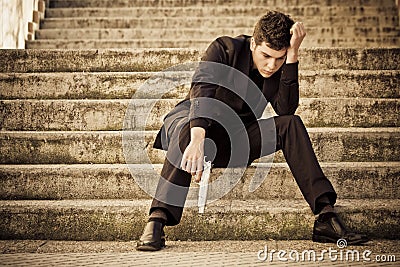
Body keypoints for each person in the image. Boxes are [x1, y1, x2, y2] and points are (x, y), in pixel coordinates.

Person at [136, 10, 368, 251]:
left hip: (235, 138)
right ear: (254, 43)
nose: (271, 65)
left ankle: (325, 217)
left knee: (292, 124)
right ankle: (157, 219)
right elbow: (202, 90)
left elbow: (285, 109)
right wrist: (197, 138)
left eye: (279, 58)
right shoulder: (225, 48)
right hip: (194, 127)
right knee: (188, 128)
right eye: (266, 55)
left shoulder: (279, 66)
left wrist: (293, 56)